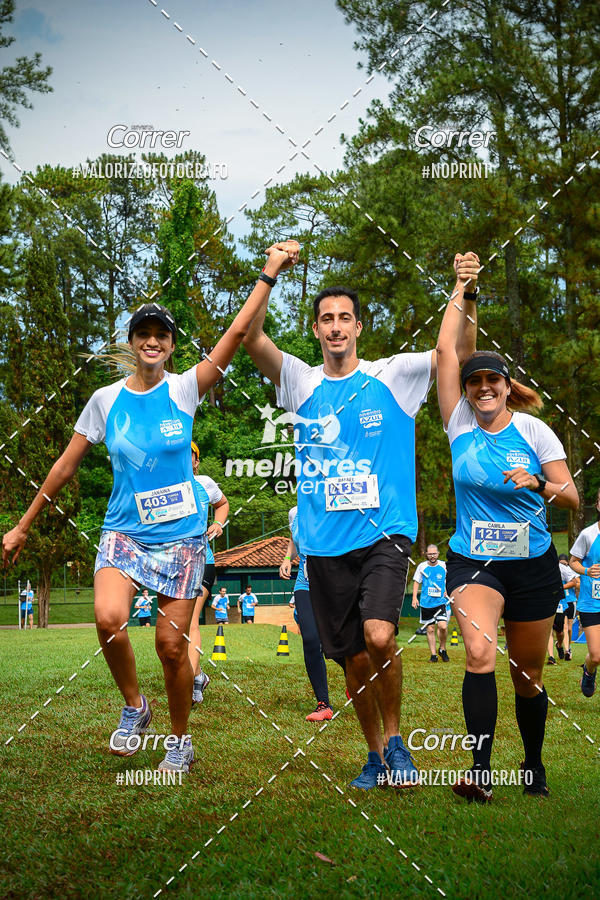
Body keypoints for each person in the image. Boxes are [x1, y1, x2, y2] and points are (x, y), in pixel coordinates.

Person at [2, 244, 299, 774]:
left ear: (170, 345)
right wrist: (23, 526)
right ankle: (135, 706)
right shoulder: (105, 399)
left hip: (182, 537)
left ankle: (180, 740)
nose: (153, 341)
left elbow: (234, 336)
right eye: (144, 334)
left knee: (169, 646)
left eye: (162, 335)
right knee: (109, 618)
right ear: (133, 343)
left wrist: (268, 274)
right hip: (123, 532)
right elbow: (66, 467)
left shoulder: (185, 390)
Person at [243, 239, 476, 790]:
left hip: (385, 534)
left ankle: (397, 744)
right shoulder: (300, 383)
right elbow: (249, 337)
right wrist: (270, 271)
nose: (335, 326)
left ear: (359, 327)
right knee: (348, 654)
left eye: (344, 317)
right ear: (318, 330)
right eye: (326, 319)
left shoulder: (393, 375)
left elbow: (457, 353)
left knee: (378, 635)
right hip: (324, 544)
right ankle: (374, 754)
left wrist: (467, 291)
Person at [436, 254, 579, 802]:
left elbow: (571, 497)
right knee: (477, 654)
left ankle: (534, 766)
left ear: (506, 384)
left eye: (492, 380)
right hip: (474, 560)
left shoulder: (535, 432)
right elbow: (452, 352)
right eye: (475, 383)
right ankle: (480, 771)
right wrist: (463, 288)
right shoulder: (457, 424)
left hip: (534, 565)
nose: (483, 388)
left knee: (528, 675)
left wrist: (537, 484)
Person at [279, 506, 333, 722]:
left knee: (336, 645)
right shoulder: (294, 512)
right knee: (311, 640)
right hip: (305, 582)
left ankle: (355, 679)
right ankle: (323, 704)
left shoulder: (335, 506)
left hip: (333, 583)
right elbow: (294, 538)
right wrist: (287, 557)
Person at [189, 441, 229, 704]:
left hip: (203, 561)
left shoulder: (204, 483)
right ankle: (199, 674)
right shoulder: (160, 485)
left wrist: (217, 522)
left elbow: (222, 503)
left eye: (189, 455)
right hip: (171, 565)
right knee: (173, 628)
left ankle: (192, 685)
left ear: (196, 461)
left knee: (190, 620)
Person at [569, 490, 600, 698]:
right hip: (591, 602)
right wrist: (587, 571)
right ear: (598, 505)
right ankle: (589, 671)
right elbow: (573, 562)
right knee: (596, 655)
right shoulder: (588, 534)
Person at [411, 544, 450, 662]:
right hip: (426, 603)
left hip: (441, 602)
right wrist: (414, 598)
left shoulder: (444, 565)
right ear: (426, 554)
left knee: (443, 626)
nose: (432, 556)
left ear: (438, 554)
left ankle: (442, 649)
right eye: (430, 554)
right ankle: (433, 655)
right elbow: (416, 582)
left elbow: (449, 578)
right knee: (430, 629)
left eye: (434, 553)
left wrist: (447, 590)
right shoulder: (422, 567)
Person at [558, 553, 579, 661]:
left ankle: (567, 646)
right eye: (561, 564)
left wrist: (569, 583)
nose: (563, 566)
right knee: (564, 627)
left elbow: (578, 584)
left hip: (571, 600)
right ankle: (566, 650)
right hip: (562, 601)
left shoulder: (571, 571)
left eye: (565, 564)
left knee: (570, 628)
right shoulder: (556, 570)